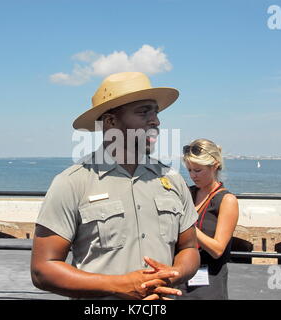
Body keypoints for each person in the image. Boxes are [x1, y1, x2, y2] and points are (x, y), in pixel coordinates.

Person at [30, 72, 200, 300]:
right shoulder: (72, 183)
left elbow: (189, 248)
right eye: (143, 112)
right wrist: (119, 285)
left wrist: (173, 273)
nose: (156, 121)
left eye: (155, 112)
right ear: (110, 122)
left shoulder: (173, 180)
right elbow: (43, 269)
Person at [178, 139, 239, 300]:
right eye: (189, 170)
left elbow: (218, 249)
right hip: (182, 277)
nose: (192, 176)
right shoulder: (187, 194)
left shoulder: (226, 200)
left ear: (215, 165)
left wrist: (188, 226)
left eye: (198, 170)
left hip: (209, 281)